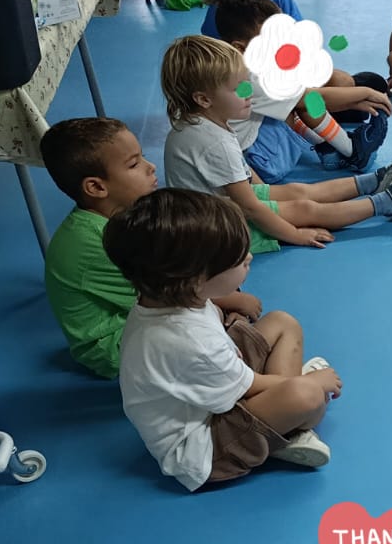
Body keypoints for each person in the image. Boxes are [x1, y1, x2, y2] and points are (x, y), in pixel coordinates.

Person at [103, 189, 342, 488]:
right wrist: (312, 383)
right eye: (239, 260)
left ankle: (280, 418)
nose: (249, 258)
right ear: (195, 280)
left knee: (282, 323)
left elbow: (209, 323)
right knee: (308, 396)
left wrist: (228, 309)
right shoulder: (188, 341)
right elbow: (243, 381)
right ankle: (287, 430)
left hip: (214, 385)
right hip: (205, 445)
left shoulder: (167, 295)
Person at [160, 35, 392, 254]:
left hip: (215, 208)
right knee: (304, 208)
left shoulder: (200, 123)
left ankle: (374, 182)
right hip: (216, 232)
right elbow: (250, 208)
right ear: (203, 99)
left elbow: (242, 178)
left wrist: (267, 193)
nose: (248, 92)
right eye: (238, 88)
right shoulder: (215, 141)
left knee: (297, 190)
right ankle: (387, 203)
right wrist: (296, 235)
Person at [40, 117, 260, 379]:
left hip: (139, 313)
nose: (151, 166)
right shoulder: (97, 243)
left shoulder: (121, 218)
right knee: (217, 308)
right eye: (134, 164)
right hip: (115, 347)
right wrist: (236, 301)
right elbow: (167, 289)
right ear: (96, 187)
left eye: (142, 157)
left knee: (215, 277)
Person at [213, 0, 389, 179]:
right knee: (302, 100)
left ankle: (328, 148)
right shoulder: (250, 77)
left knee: (289, 98)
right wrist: (364, 93)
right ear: (240, 47)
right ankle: (354, 152)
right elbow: (310, 98)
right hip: (258, 163)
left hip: (244, 148)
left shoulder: (227, 62)